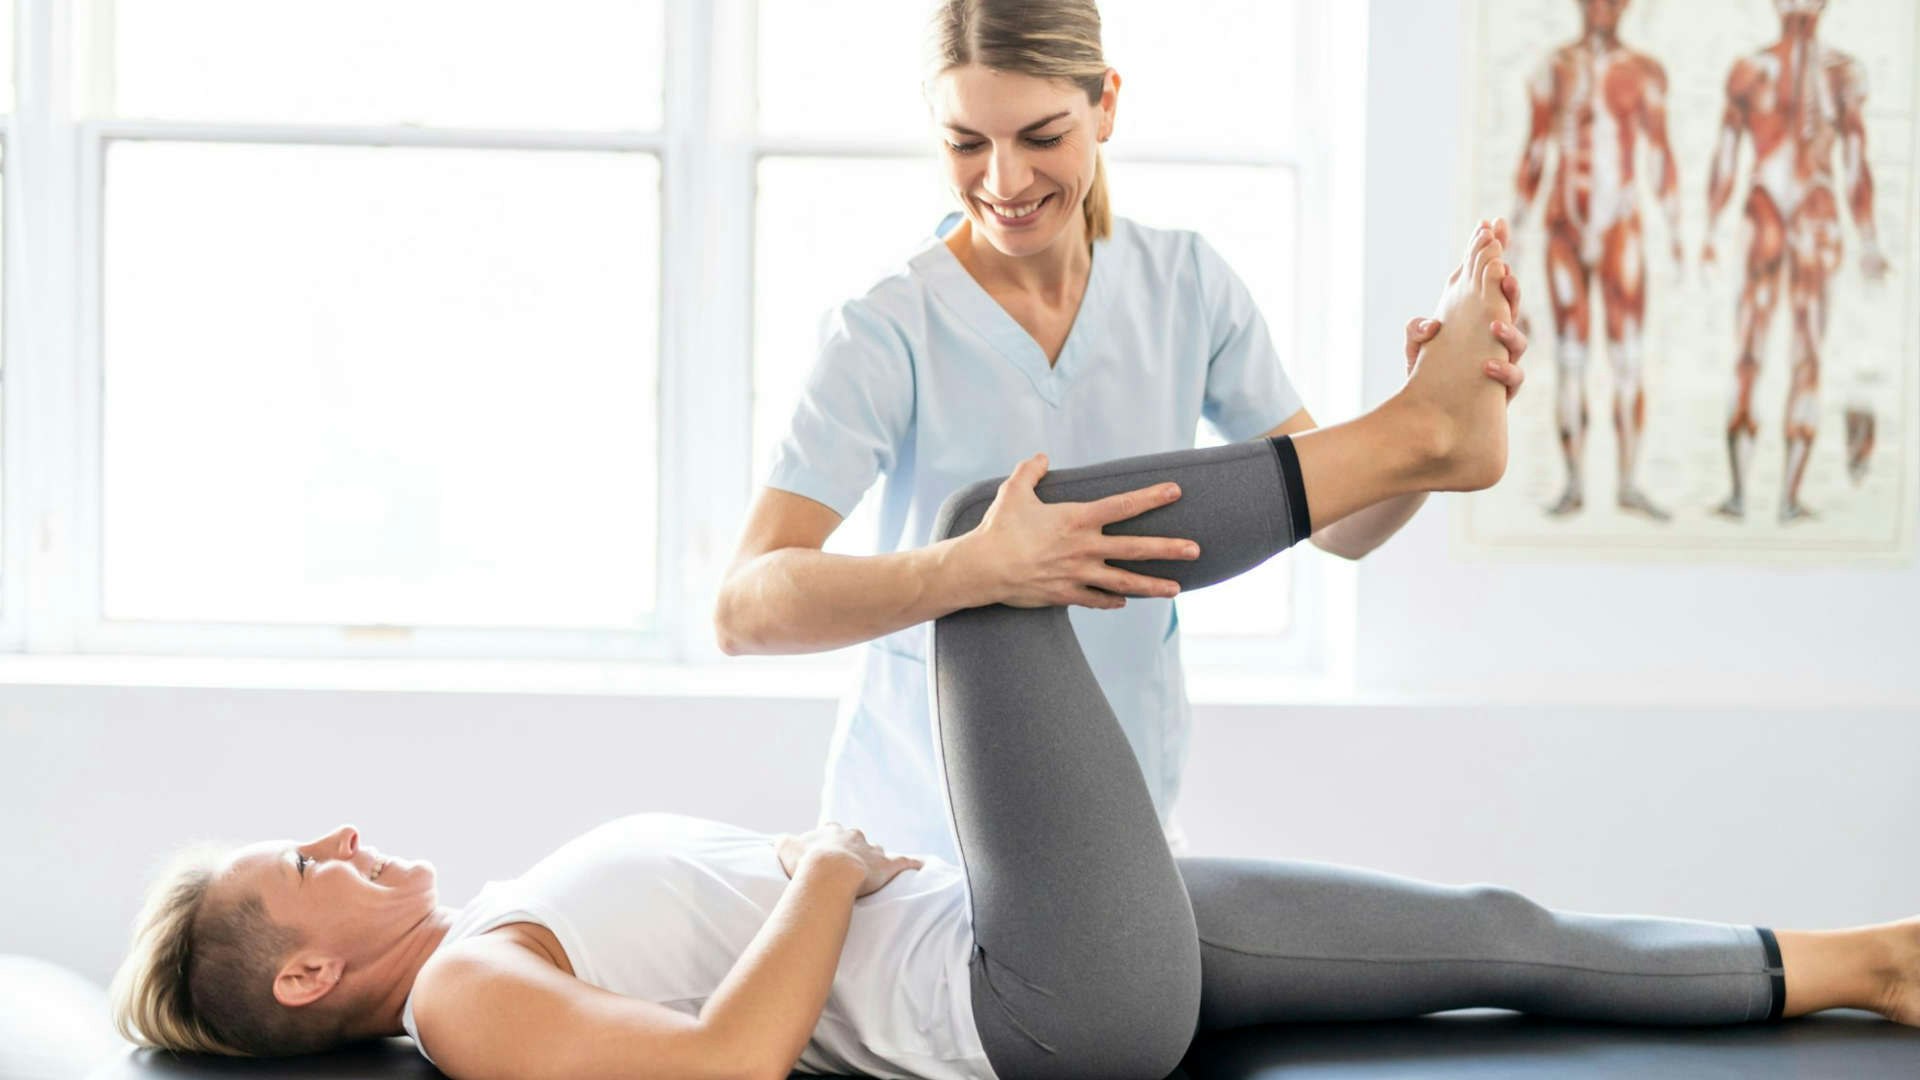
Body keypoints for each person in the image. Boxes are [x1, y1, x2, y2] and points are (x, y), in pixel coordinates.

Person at [111, 227, 1920, 1079]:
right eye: (309, 866)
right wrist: (821, 874)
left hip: (1037, 941)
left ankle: (1865, 961)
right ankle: (1410, 438)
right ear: (298, 979)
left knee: (1487, 930)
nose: (342, 840)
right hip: (1025, 997)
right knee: (990, 525)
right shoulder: (458, 995)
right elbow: (721, 1078)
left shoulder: (491, 919)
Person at [714, 0, 1530, 866]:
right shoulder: (888, 327)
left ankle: (1420, 432)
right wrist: (971, 569)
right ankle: (1418, 430)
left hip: (1124, 832)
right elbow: (743, 607)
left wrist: (1416, 465)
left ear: (1105, 104)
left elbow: (1339, 529)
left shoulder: (1186, 285)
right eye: (966, 144)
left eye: (1040, 136)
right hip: (919, 844)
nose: (1004, 180)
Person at [1703, 0, 1889, 522]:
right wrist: (1712, 230)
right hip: (1767, 211)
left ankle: (1785, 495)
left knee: (1804, 352)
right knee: (1752, 347)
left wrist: (1870, 237)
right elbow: (1725, 154)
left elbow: (1855, 159)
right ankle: (1746, 493)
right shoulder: (1751, 70)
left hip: (1814, 212)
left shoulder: (1841, 73)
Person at [1511, 0, 1681, 520]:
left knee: (1627, 358)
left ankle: (1628, 481)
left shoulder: (1645, 72)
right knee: (1570, 359)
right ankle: (1575, 483)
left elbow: (1659, 153)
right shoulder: (1554, 68)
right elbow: (1536, 153)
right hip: (1564, 224)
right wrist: (1513, 239)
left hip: (1620, 228)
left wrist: (1675, 232)